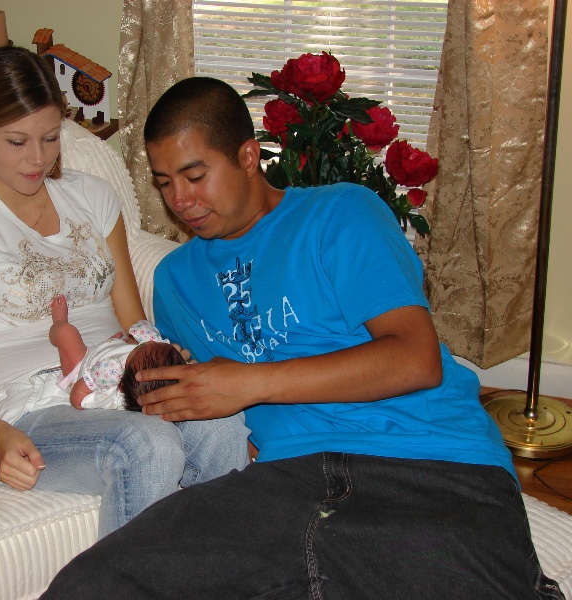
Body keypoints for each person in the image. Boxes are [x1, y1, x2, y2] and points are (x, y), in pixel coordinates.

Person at [41, 77, 564, 598]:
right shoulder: (176, 280)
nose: (180, 199)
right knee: (91, 585)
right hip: (284, 486)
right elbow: (195, 400)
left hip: (429, 466)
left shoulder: (341, 213)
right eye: (163, 183)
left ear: (248, 156)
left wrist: (249, 383)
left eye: (195, 175)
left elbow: (416, 359)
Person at [0, 51, 250, 539]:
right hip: (30, 410)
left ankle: (225, 568)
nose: (38, 158)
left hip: (119, 380)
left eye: (51, 137)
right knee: (148, 445)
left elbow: (132, 317)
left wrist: (160, 358)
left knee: (222, 422)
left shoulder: (92, 197)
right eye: (17, 141)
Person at [49, 295, 187, 411]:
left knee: (66, 333)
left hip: (80, 370)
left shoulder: (108, 390)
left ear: (121, 386)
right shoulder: (139, 362)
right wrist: (114, 347)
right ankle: (109, 348)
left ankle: (59, 322)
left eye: (139, 347)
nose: (148, 342)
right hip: (103, 355)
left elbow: (77, 400)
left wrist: (93, 378)